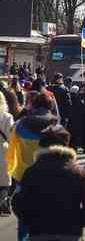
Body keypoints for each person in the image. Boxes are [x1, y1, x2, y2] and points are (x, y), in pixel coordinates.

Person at [12, 125, 85, 241]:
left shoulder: (31, 171)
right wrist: (78, 222)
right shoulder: (77, 171)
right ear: (66, 144)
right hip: (71, 234)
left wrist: (31, 221)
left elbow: (17, 202)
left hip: (39, 234)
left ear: (41, 146)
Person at [5, 93, 58, 241]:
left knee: (24, 214)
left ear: (33, 105)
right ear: (50, 106)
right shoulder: (55, 126)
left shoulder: (21, 124)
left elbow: (11, 136)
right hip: (48, 175)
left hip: (24, 174)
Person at [0, 91, 14, 215]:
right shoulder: (7, 117)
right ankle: (3, 201)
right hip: (3, 150)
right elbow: (11, 136)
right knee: (5, 181)